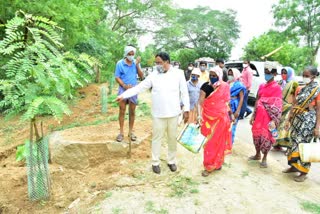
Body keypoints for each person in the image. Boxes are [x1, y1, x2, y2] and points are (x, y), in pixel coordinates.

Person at [116, 52, 190, 174]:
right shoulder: (153, 75)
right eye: (156, 63)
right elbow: (139, 87)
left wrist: (186, 109)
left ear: (167, 62)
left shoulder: (178, 74)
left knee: (172, 138)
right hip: (158, 114)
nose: (157, 65)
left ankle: (171, 161)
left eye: (159, 62)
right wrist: (123, 95)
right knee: (157, 138)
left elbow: (184, 93)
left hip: (173, 113)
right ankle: (155, 162)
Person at [283, 66, 320, 182]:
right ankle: (293, 166)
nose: (305, 77)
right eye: (304, 75)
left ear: (314, 76)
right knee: (293, 143)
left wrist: (317, 127)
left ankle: (304, 172)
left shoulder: (317, 90)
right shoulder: (299, 88)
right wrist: (288, 120)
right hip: (296, 119)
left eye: (307, 76)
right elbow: (294, 105)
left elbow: (318, 110)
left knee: (304, 146)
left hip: (308, 122)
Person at [198, 66, 233, 177]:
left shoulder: (225, 86)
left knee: (219, 142)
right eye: (211, 75)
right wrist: (199, 116)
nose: (212, 77)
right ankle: (208, 165)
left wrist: (231, 115)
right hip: (208, 119)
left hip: (222, 119)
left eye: (214, 75)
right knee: (209, 143)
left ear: (219, 76)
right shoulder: (205, 86)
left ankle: (217, 163)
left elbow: (226, 103)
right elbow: (200, 103)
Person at [249, 62, 282, 168]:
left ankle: (264, 158)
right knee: (256, 135)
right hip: (259, 116)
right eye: (265, 72)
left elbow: (277, 104)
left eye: (268, 73)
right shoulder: (261, 85)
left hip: (268, 117)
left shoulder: (277, 88)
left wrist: (274, 120)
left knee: (267, 136)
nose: (266, 75)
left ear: (274, 74)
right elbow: (257, 100)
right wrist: (253, 115)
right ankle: (257, 154)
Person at [114, 45, 144, 142]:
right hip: (123, 89)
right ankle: (121, 133)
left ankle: (131, 132)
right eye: (129, 54)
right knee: (122, 110)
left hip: (134, 90)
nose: (131, 56)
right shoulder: (120, 63)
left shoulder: (136, 63)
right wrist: (124, 85)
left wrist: (137, 65)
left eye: (133, 54)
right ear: (126, 54)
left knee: (132, 111)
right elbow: (117, 77)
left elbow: (141, 76)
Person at [273, 67, 299, 151]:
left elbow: (295, 96)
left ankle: (287, 147)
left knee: (285, 126)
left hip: (288, 106)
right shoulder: (280, 82)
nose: (283, 74)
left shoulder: (293, 83)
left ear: (289, 73)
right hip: (280, 106)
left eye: (285, 73)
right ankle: (276, 144)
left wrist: (293, 106)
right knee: (277, 125)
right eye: (282, 72)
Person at [228, 68, 246, 144]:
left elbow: (241, 99)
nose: (230, 75)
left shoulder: (239, 85)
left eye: (231, 74)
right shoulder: (227, 83)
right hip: (226, 105)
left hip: (234, 105)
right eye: (229, 74)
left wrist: (237, 111)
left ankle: (229, 144)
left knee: (232, 127)